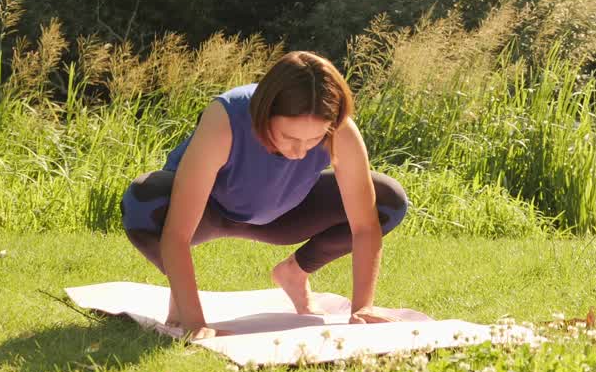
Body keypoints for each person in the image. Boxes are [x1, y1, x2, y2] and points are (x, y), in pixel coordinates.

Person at [120, 51, 410, 340]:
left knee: (387, 200)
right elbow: (177, 234)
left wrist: (362, 308)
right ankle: (180, 290)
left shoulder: (339, 128)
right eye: (290, 138)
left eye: (314, 140)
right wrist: (193, 320)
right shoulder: (225, 118)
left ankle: (294, 273)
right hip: (209, 212)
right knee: (143, 200)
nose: (300, 152)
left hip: (285, 212)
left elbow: (364, 226)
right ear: (264, 114)